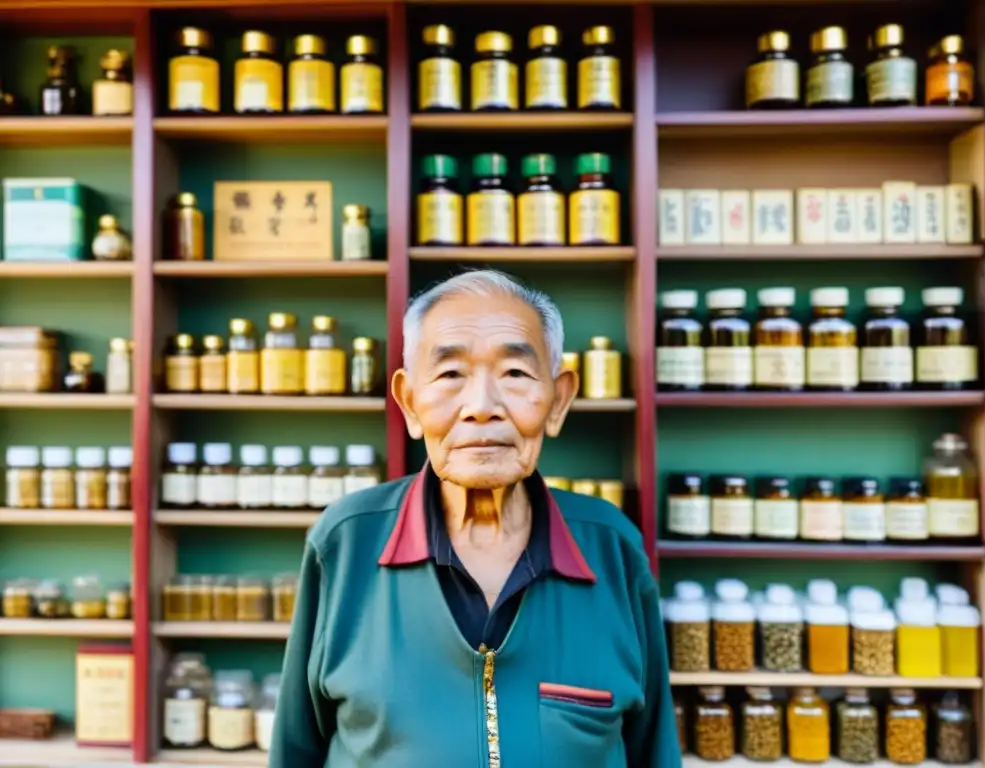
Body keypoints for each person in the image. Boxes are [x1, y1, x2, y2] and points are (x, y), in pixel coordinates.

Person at [270, 269, 680, 767]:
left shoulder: (612, 547)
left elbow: (652, 750)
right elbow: (296, 750)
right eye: (449, 375)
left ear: (558, 401)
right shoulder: (347, 542)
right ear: (410, 404)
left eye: (515, 373)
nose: (481, 407)